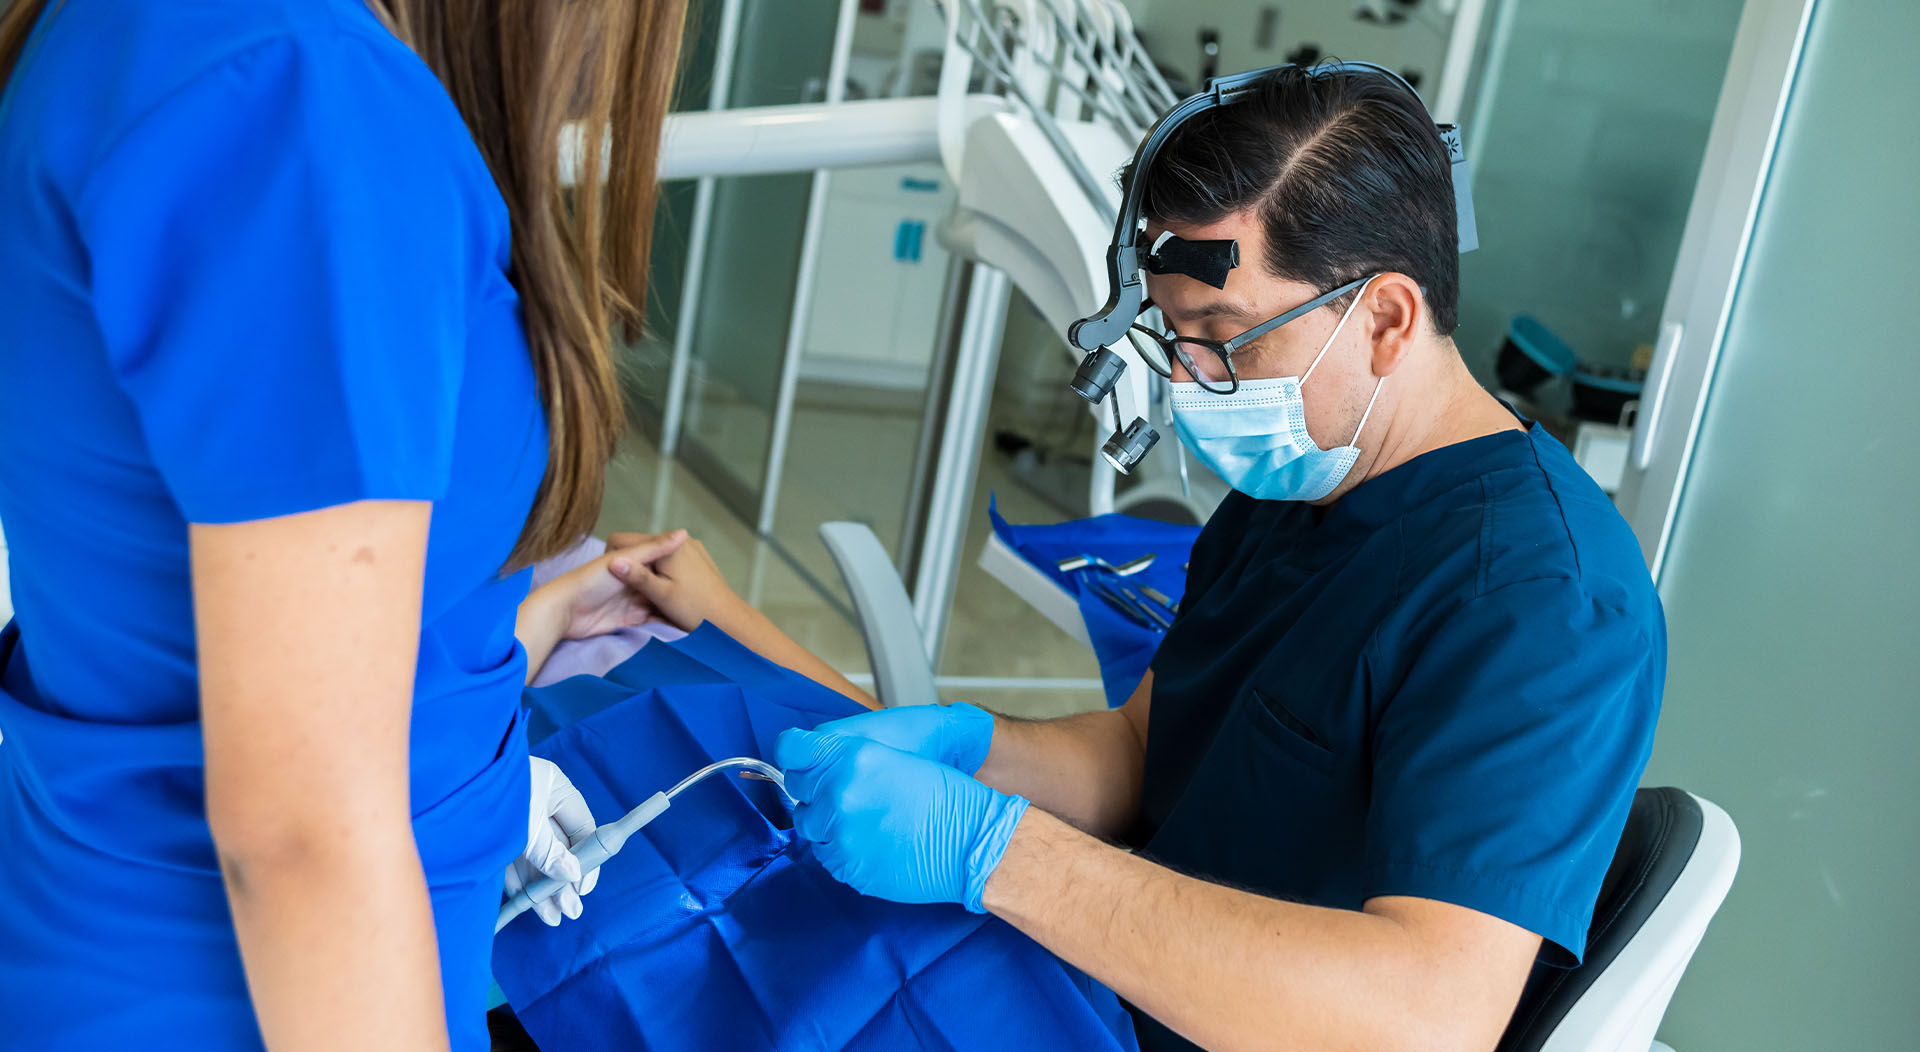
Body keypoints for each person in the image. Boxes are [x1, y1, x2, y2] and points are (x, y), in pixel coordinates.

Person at [751, 65, 1665, 1051]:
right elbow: (1148, 752)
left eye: (1224, 339)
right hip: (1104, 988)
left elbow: (1425, 1019)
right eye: (1174, 337)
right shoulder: (1302, 485)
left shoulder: (1541, 602)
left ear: (1388, 319)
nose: (1190, 382)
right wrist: (971, 750)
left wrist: (997, 852)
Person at [0, 0, 686, 1046]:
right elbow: (302, 839)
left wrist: (502, 652)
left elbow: (176, 605)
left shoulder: (199, 49)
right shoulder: (299, 93)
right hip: (236, 997)